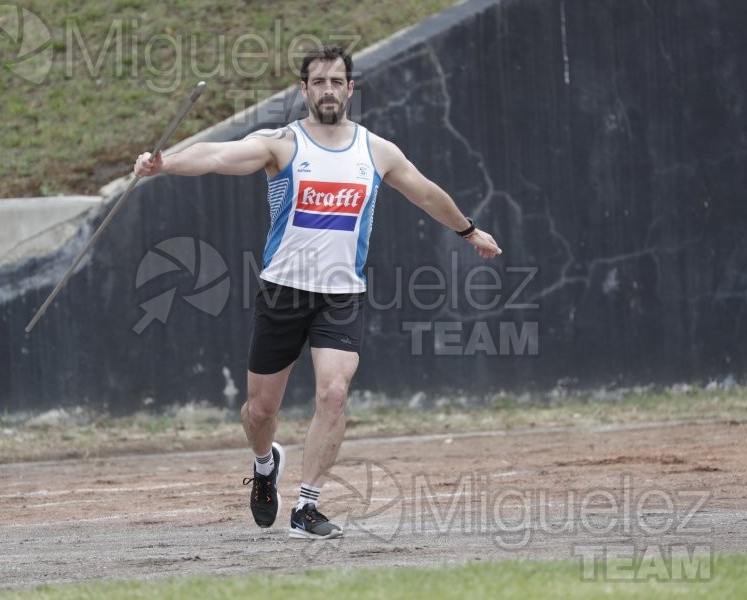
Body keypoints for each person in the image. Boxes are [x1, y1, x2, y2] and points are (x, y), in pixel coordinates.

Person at [134, 45, 502, 540]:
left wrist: (468, 231)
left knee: (333, 393)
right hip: (282, 293)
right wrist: (167, 163)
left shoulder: (376, 151)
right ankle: (266, 465)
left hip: (340, 295)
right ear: (304, 90)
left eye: (336, 82)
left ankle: (306, 508)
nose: (328, 90)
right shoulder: (282, 144)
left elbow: (426, 192)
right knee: (260, 412)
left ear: (350, 89)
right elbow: (219, 155)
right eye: (318, 82)